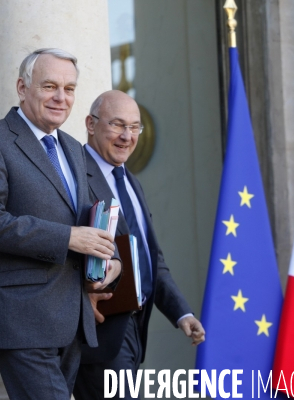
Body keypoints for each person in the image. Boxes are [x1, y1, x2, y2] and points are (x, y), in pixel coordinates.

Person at [0, 48, 121, 400]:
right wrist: (68, 238)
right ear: (22, 87)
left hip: (72, 318)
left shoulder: (74, 148)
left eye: (69, 88)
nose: (61, 98)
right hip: (22, 318)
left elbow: (87, 219)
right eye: (50, 86)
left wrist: (109, 260)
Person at [73, 90, 206, 399]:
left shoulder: (131, 182)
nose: (127, 136)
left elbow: (150, 258)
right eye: (118, 125)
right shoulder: (74, 175)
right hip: (100, 328)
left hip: (135, 327)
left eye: (134, 127)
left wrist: (182, 314)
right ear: (91, 124)